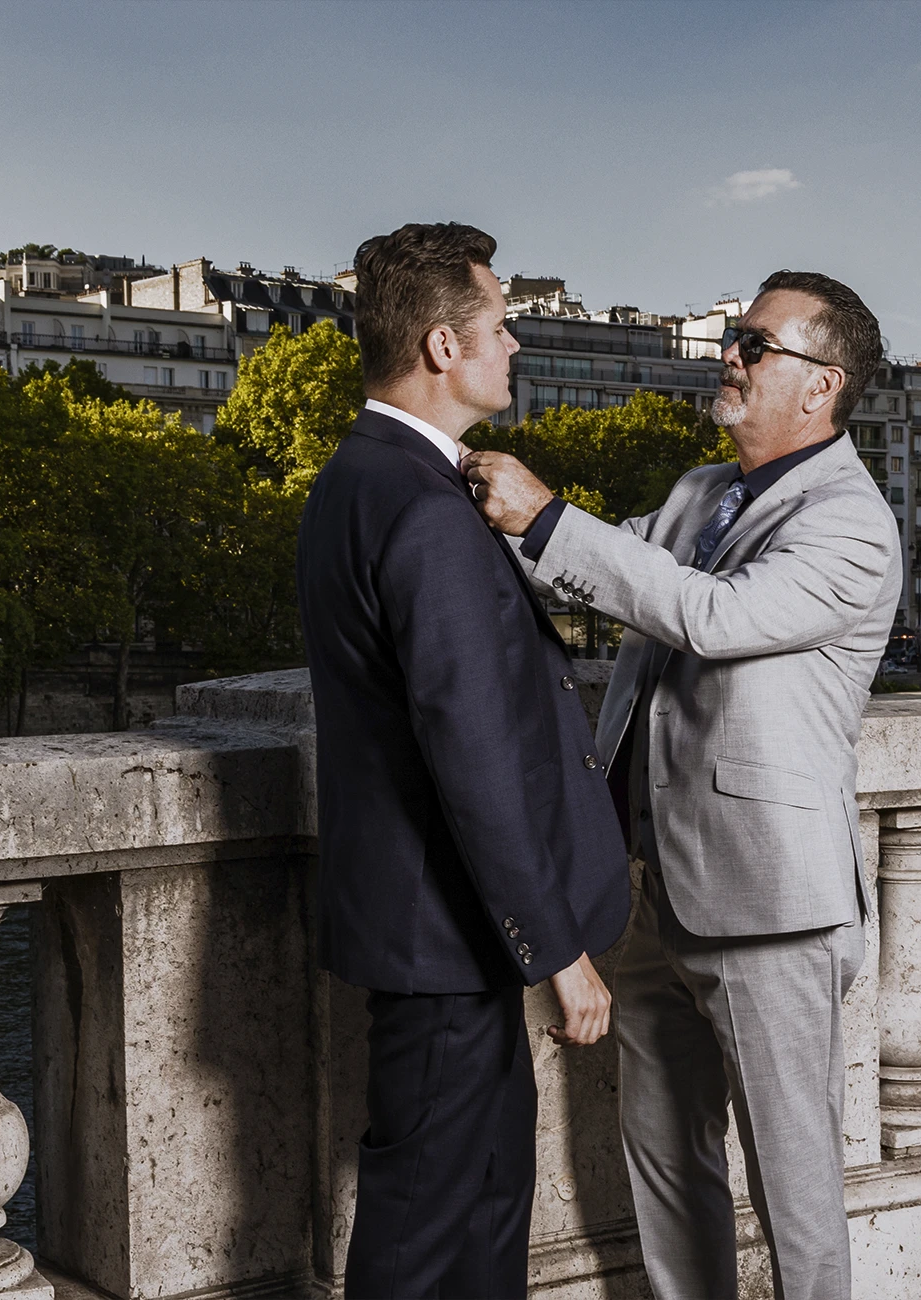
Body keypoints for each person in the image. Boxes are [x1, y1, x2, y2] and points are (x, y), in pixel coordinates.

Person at [464, 270, 901, 1300]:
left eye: (756, 345)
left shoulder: (852, 523)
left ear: (821, 385)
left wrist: (547, 514)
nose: (730, 357)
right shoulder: (704, 492)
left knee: (794, 1190)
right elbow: (592, 570)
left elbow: (711, 616)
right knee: (667, 1170)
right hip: (650, 885)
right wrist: (467, 496)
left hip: (771, 905)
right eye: (734, 338)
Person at [296, 222, 630, 1299]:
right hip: (449, 934)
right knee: (436, 1226)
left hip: (424, 929)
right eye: (499, 323)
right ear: (443, 346)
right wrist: (557, 950)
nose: (515, 344)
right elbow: (473, 756)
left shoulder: (360, 477)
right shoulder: (426, 511)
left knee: (470, 1209)